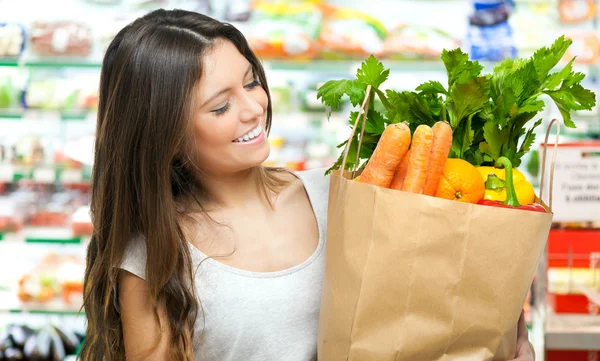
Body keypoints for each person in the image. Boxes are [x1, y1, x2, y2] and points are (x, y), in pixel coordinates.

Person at [79, 9, 536, 361]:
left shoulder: (337, 193)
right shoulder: (154, 253)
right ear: (165, 135)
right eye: (220, 107)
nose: (253, 109)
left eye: (252, 82)